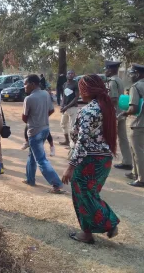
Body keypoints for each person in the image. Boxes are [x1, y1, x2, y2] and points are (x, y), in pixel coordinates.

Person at [62, 74, 120, 244]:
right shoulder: (106, 108)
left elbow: (83, 141)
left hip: (89, 161)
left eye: (81, 88)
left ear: (87, 90)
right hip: (104, 160)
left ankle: (108, 223)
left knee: (84, 195)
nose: (80, 92)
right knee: (89, 194)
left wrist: (70, 166)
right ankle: (87, 232)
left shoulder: (89, 111)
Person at [22, 74, 64, 193]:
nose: (24, 86)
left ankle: (56, 184)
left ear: (33, 84)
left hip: (34, 131)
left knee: (41, 160)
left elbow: (24, 118)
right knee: (32, 155)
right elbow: (51, 110)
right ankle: (30, 179)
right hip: (45, 129)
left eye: (26, 83)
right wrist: (41, 118)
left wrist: (36, 119)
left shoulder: (28, 99)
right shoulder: (45, 94)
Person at [105, 60, 133, 171]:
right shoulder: (119, 80)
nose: (106, 71)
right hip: (121, 112)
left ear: (110, 70)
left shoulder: (112, 81)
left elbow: (114, 98)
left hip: (114, 113)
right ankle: (127, 161)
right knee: (123, 138)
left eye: (106, 69)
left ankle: (105, 159)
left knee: (110, 137)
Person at [121, 64, 144, 188]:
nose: (130, 76)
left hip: (137, 123)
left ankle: (141, 179)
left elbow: (133, 108)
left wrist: (125, 112)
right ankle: (136, 173)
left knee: (137, 152)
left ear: (138, 74)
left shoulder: (136, 87)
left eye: (132, 74)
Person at [60, 70, 79, 147]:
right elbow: (64, 96)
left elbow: (76, 97)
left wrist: (67, 106)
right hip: (65, 108)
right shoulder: (65, 84)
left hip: (73, 108)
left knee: (72, 127)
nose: (70, 75)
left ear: (74, 75)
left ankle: (73, 145)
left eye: (72, 73)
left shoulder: (76, 84)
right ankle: (67, 141)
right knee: (63, 124)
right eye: (69, 73)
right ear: (66, 75)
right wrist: (62, 105)